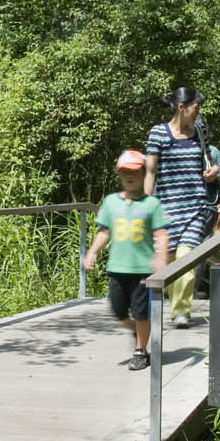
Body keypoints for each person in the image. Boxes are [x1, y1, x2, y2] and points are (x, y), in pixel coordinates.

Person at [144, 86, 220, 330]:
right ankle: (176, 303)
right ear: (182, 108)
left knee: (186, 258)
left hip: (196, 207)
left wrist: (212, 172)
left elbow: (209, 161)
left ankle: (181, 312)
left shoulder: (199, 131)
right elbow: (150, 171)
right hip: (167, 208)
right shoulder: (158, 133)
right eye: (195, 108)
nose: (198, 113)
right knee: (169, 262)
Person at [84, 148, 169, 371]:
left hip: (143, 270)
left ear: (143, 174)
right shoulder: (111, 202)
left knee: (141, 313)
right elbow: (104, 231)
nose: (129, 176)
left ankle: (141, 351)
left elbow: (161, 234)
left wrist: (161, 257)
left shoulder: (152, 204)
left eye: (134, 172)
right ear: (119, 174)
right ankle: (138, 332)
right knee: (118, 311)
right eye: (125, 172)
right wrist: (92, 252)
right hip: (117, 268)